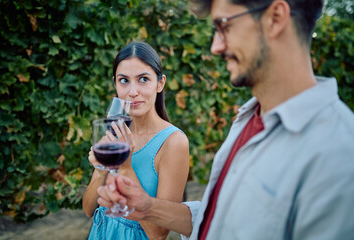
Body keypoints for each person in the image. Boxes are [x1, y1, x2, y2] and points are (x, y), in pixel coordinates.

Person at [97, 0, 354, 239]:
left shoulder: (338, 156)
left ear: (275, 18)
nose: (215, 46)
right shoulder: (246, 120)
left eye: (224, 26)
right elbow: (218, 220)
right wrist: (147, 207)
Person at [82, 41, 190, 239]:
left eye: (143, 79)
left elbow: (159, 234)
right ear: (115, 83)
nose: (132, 91)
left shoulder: (174, 142)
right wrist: (99, 171)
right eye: (124, 80)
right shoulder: (116, 133)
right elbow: (89, 210)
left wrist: (125, 167)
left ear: (160, 83)